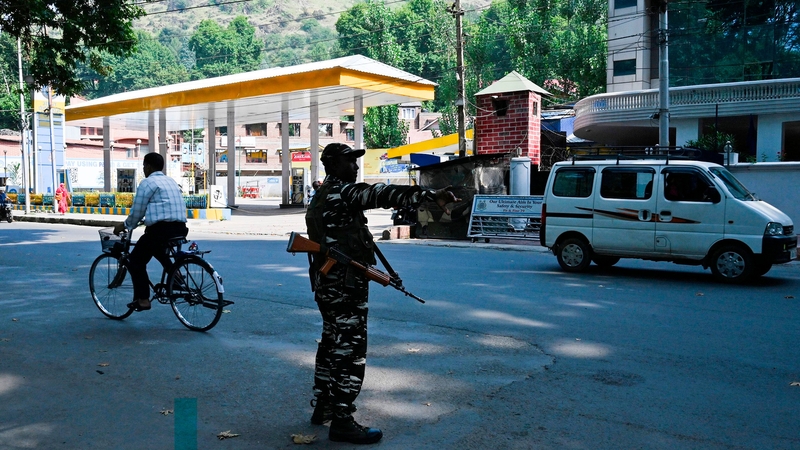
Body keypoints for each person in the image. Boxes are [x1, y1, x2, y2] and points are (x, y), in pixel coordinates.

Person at [305, 143, 458, 445]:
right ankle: (343, 420)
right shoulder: (343, 192)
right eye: (350, 161)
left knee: (330, 343)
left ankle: (324, 405)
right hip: (344, 287)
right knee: (350, 350)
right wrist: (427, 196)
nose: (355, 166)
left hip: (327, 285)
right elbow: (381, 193)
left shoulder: (322, 195)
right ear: (333, 164)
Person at [113, 153, 188, 312]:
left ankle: (143, 299)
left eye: (143, 166)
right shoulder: (171, 181)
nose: (143, 169)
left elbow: (138, 211)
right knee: (156, 248)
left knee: (135, 261)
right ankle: (176, 276)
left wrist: (125, 225)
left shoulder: (148, 183)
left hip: (161, 230)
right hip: (180, 228)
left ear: (147, 166)